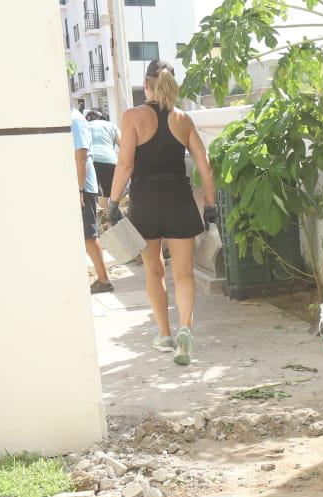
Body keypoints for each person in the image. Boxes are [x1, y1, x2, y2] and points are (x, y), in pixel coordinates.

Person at [105, 60, 217, 366]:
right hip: (179, 200)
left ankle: (165, 335)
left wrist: (113, 203)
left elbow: (126, 164)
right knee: (183, 274)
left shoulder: (132, 117)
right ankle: (186, 331)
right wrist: (209, 205)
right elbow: (205, 167)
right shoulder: (183, 119)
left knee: (154, 271)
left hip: (146, 203)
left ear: (146, 83)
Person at [71, 106, 112, 293]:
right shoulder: (72, 119)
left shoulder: (75, 120)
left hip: (83, 187)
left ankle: (103, 279)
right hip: (80, 186)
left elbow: (81, 157)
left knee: (89, 234)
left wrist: (79, 189)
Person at [85, 109, 119, 218]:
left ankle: (98, 218)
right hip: (110, 160)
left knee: (94, 191)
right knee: (108, 192)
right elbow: (123, 144)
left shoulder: (86, 125)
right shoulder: (111, 125)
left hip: (91, 160)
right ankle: (107, 217)